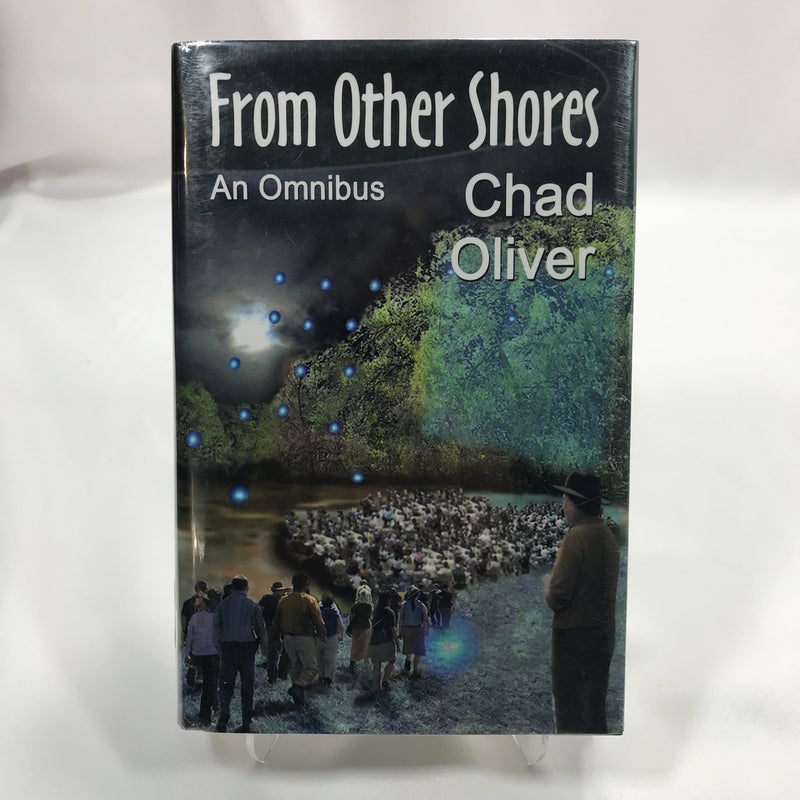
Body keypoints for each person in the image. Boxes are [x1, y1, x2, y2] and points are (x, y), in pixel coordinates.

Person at [544, 471, 620, 734]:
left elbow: (557, 596)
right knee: (594, 711)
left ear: (577, 503)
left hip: (574, 639)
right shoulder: (606, 534)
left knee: (571, 714)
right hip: (602, 635)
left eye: (566, 498)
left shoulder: (576, 536)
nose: (563, 504)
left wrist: (547, 583)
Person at [213, 574, 267, 733]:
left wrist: (217, 647)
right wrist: (264, 649)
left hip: (228, 647)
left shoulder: (223, 605)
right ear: (246, 588)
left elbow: (216, 628)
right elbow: (260, 628)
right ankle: (246, 720)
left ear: (233, 587)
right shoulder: (252, 605)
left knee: (226, 683)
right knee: (247, 685)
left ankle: (224, 710)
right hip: (247, 648)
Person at [273, 572, 327, 706]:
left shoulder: (283, 600)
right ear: (306, 585)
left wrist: (277, 639)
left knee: (296, 668)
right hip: (305, 638)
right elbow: (318, 621)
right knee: (311, 668)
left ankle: (298, 701)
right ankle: (297, 687)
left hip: (288, 639)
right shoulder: (310, 600)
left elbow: (276, 621)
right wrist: (323, 636)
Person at [184, 595, 219, 725]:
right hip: (212, 653)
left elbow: (189, 637)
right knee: (211, 684)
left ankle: (206, 713)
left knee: (204, 684)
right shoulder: (214, 618)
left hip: (198, 654)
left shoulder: (194, 618)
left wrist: (187, 654)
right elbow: (217, 636)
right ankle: (210, 713)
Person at [369, 591, 399, 693]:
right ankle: (385, 680)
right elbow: (393, 630)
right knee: (392, 660)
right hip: (387, 641)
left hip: (374, 641)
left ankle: (375, 687)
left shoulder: (375, 612)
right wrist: (398, 643)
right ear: (388, 600)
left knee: (377, 665)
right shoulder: (390, 612)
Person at [258, 581, 287, 684]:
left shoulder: (266, 598)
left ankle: (272, 677)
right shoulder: (284, 601)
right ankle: (280, 675)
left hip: (270, 627)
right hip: (281, 628)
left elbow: (259, 611)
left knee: (272, 654)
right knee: (281, 653)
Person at [180, 580, 208, 687]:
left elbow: (183, 619)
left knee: (191, 657)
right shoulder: (207, 602)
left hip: (190, 634)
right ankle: (200, 678)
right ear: (205, 589)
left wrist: (184, 632)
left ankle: (192, 680)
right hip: (203, 635)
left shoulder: (188, 602)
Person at [398, 586, 429, 677]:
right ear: (418, 595)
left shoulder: (404, 604)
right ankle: (415, 670)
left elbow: (400, 619)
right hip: (418, 629)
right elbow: (426, 619)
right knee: (417, 651)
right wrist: (426, 630)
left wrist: (400, 631)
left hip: (407, 629)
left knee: (409, 649)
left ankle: (407, 666)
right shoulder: (421, 604)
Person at [317, 592, 344, 685]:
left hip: (319, 637)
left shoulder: (317, 609)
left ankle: (321, 677)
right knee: (330, 660)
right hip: (331, 637)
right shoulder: (334, 610)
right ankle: (328, 679)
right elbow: (340, 625)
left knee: (319, 658)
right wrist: (341, 635)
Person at [347, 585, 373, 673]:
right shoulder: (369, 607)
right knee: (366, 645)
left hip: (355, 627)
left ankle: (352, 663)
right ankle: (366, 662)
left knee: (354, 645)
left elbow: (351, 616)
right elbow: (370, 617)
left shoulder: (356, 606)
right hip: (365, 628)